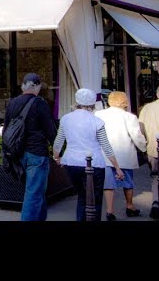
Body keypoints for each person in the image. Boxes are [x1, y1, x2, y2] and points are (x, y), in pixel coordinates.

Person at [53, 88, 125, 221]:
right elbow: (106, 146)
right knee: (95, 200)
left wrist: (57, 157)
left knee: (82, 197)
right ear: (92, 104)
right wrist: (117, 168)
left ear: (77, 101)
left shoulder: (66, 119)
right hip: (94, 163)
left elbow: (58, 142)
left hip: (72, 162)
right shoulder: (97, 121)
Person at [4, 73, 58, 221]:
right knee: (34, 193)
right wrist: (58, 152)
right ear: (37, 86)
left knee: (37, 192)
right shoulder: (40, 103)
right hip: (36, 153)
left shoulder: (13, 103)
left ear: (23, 86)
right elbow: (51, 131)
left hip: (18, 153)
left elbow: (6, 129)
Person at [95, 91, 147, 221]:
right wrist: (144, 147)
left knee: (108, 183)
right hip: (124, 153)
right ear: (124, 102)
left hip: (105, 154)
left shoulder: (99, 114)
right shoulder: (129, 117)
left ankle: (110, 211)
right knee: (128, 181)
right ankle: (130, 206)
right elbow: (136, 135)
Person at [137, 83, 159, 219]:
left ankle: (157, 202)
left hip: (152, 148)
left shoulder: (147, 108)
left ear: (157, 94)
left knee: (156, 177)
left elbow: (141, 128)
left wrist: (144, 146)